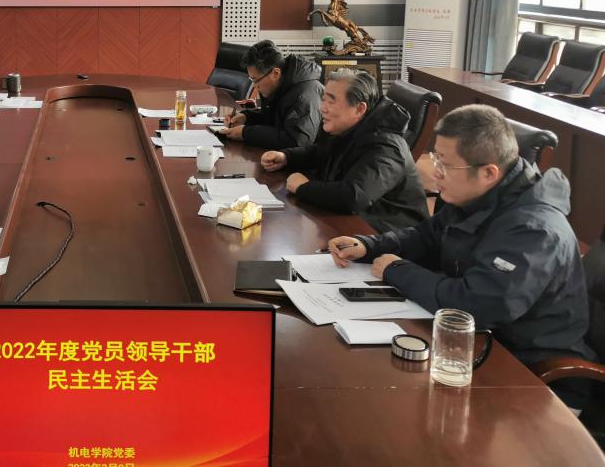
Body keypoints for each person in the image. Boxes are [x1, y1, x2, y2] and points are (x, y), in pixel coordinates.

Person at [325, 104, 594, 374]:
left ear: (488, 173)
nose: (435, 172)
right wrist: (370, 246)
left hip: (530, 369)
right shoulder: (479, 194)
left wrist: (397, 270)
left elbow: (476, 305)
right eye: (435, 158)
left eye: (445, 164)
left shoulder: (535, 230)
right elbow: (426, 236)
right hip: (475, 343)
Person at [260, 67, 426, 232]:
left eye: (331, 102)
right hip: (356, 224)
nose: (322, 108)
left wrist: (303, 187)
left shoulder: (387, 147)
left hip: (391, 236)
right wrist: (287, 157)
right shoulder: (351, 128)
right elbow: (321, 152)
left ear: (359, 109)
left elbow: (353, 196)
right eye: (323, 100)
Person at [220, 40, 322, 149]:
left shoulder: (304, 95)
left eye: (256, 80)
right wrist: (247, 117)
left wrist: (246, 133)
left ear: (275, 73)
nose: (254, 86)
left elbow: (296, 141)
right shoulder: (283, 83)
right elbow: (274, 118)